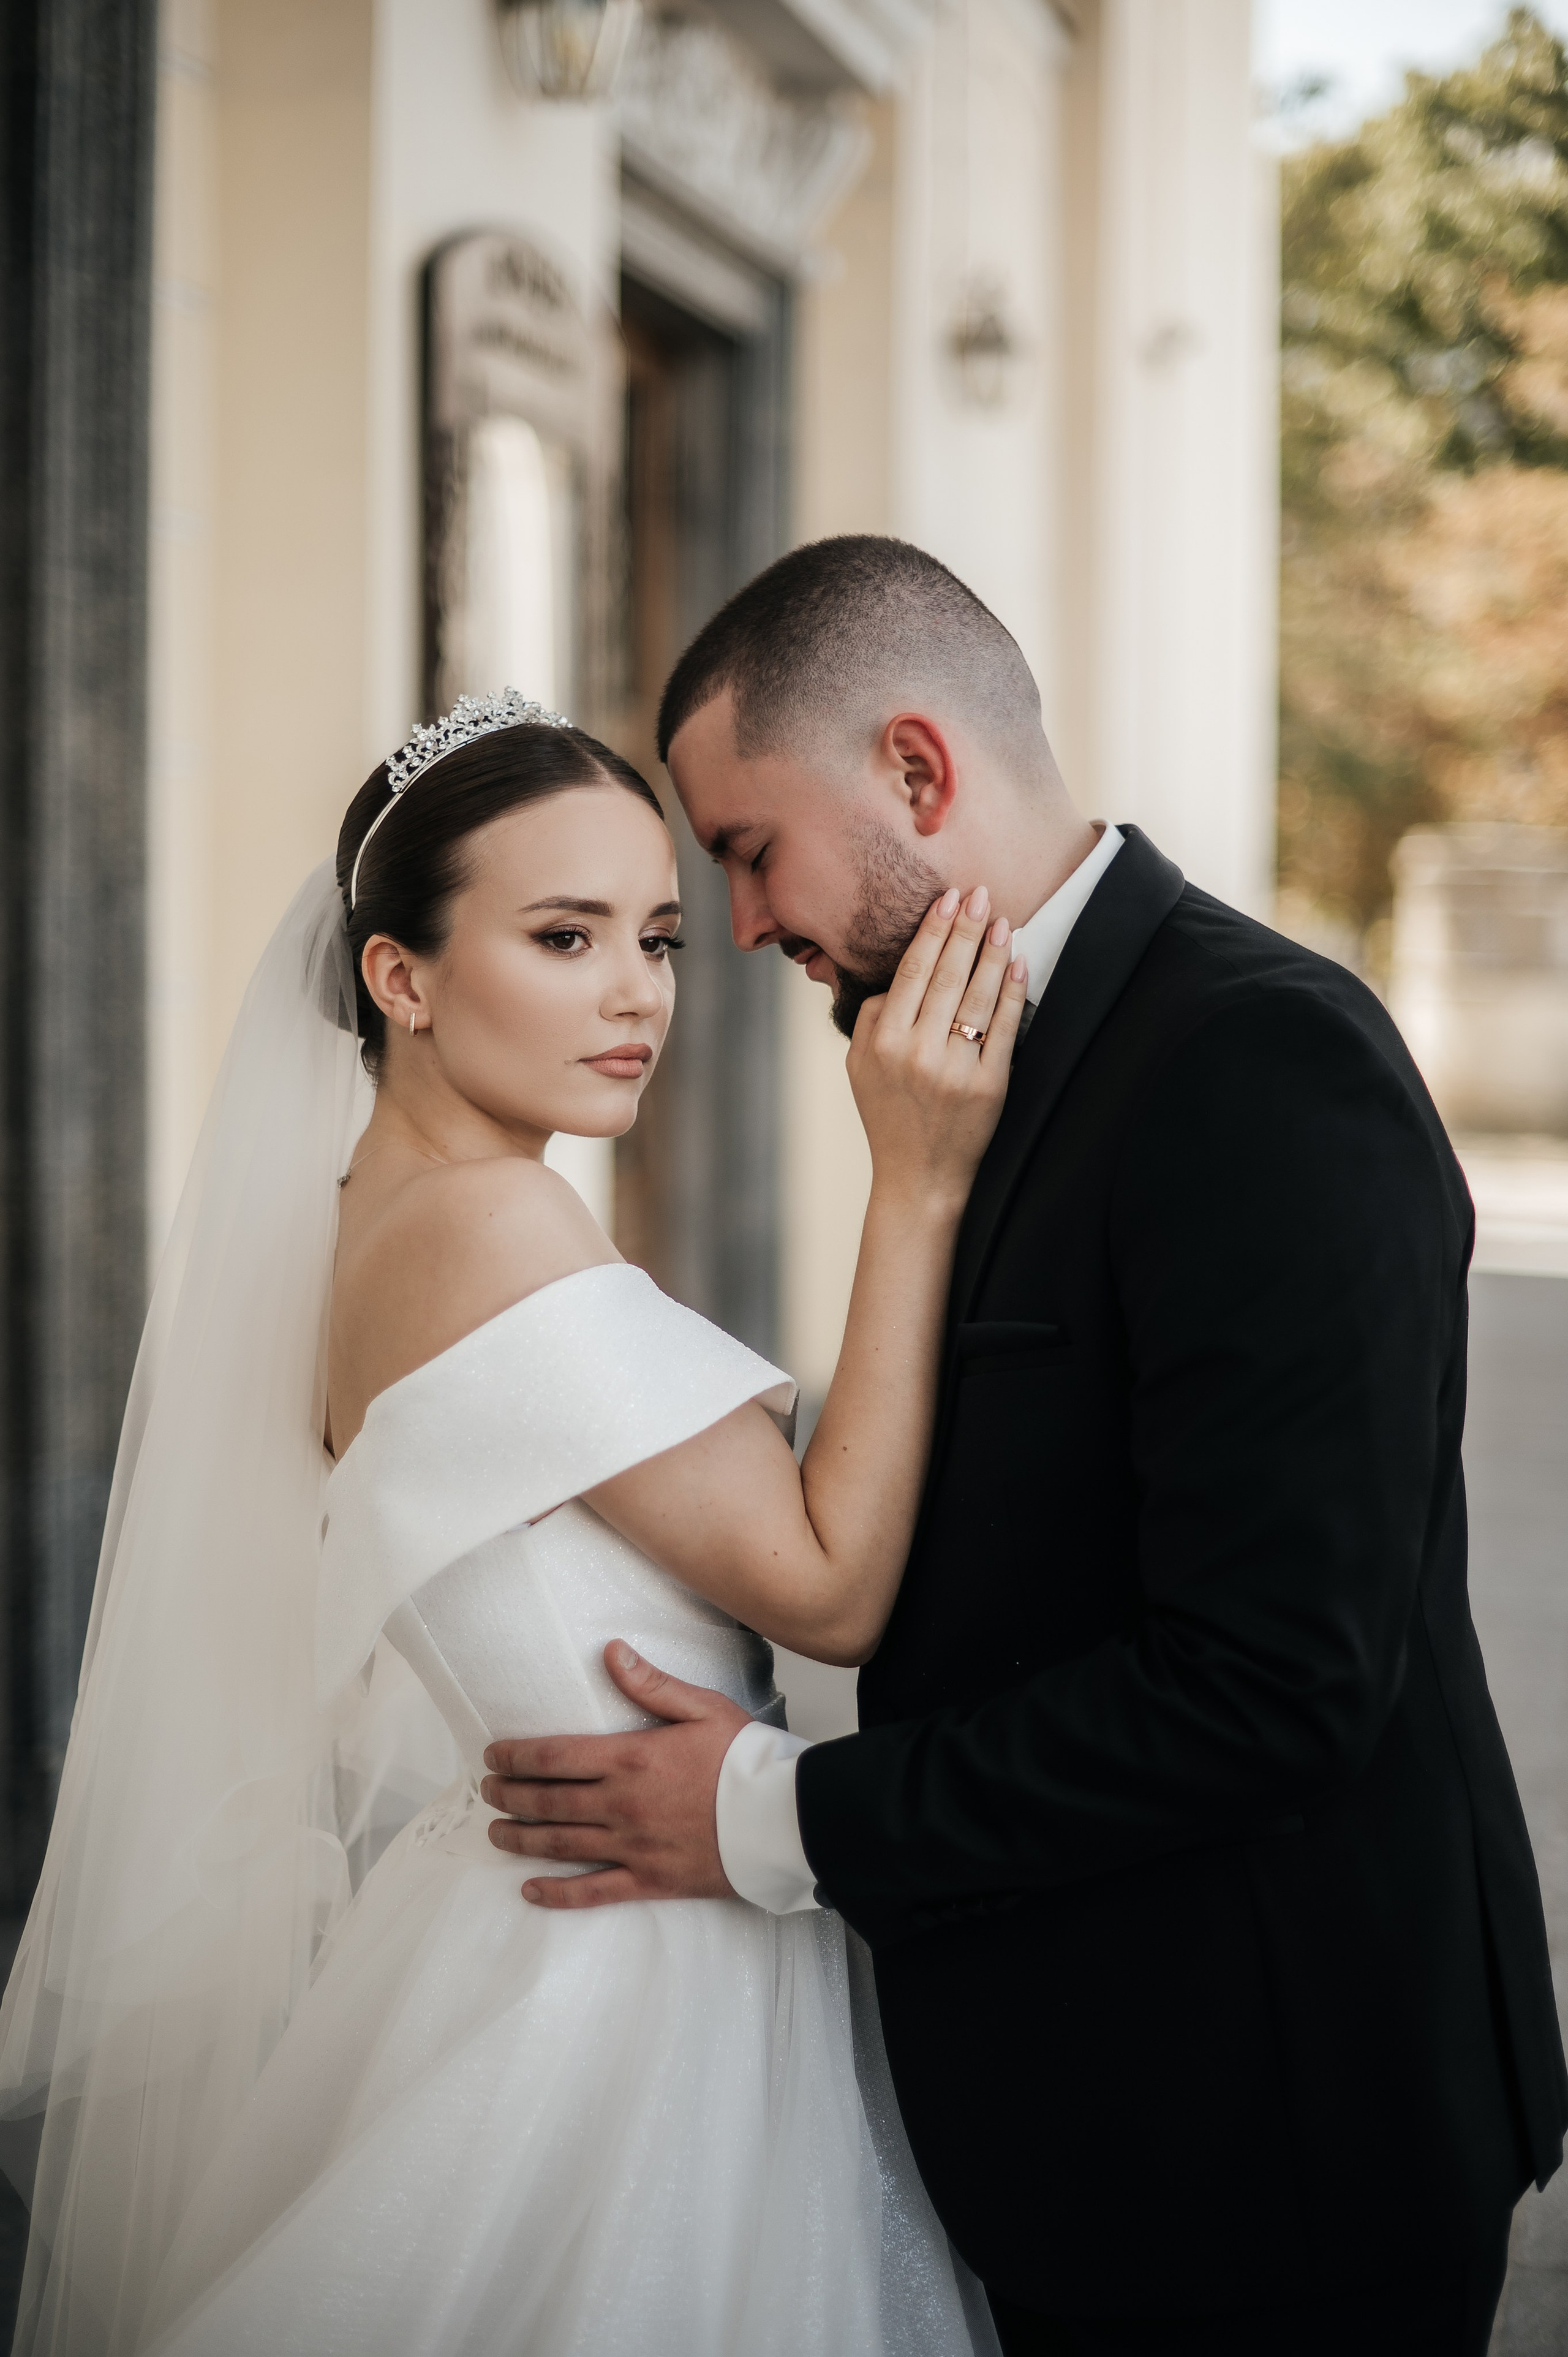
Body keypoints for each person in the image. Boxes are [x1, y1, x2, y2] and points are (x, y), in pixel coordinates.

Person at [480, 539, 1568, 2357]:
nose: (740, 928)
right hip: (1095, 2109)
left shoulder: (1258, 1064)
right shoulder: (945, 1060)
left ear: (915, 772)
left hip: (1278, 2133)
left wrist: (775, 1814)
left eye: (749, 851)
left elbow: (1276, 1683)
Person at [0, 690, 1028, 2355]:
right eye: (565, 937)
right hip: (622, 1973)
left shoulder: (359, 1223)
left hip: (531, 1908)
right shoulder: (494, 1226)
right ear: (400, 977)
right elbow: (829, 1588)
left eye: (662, 938)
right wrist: (914, 1182)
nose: (639, 995)